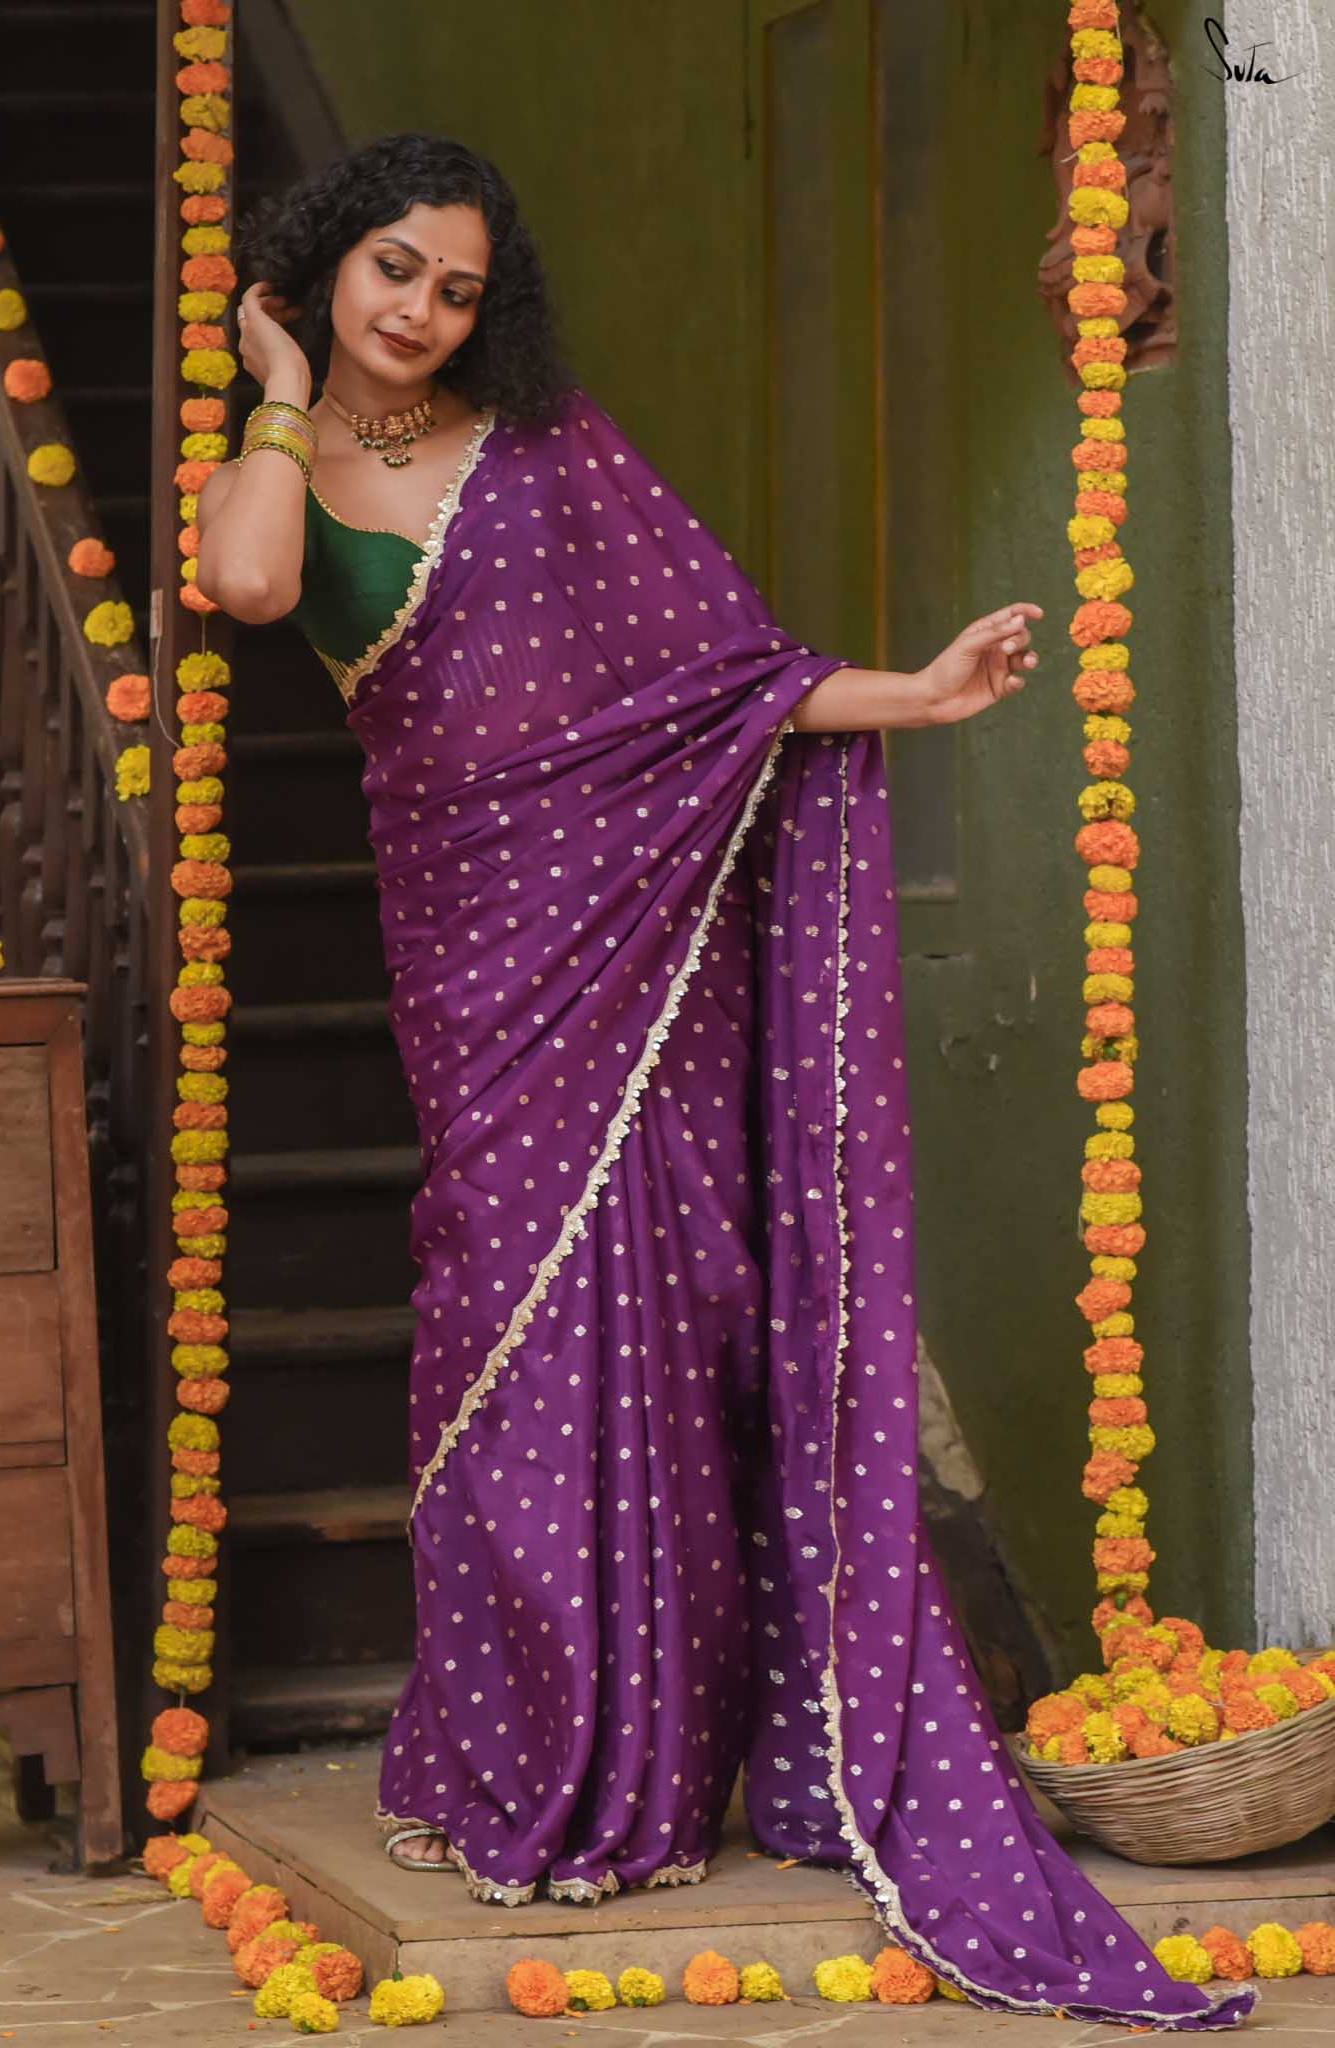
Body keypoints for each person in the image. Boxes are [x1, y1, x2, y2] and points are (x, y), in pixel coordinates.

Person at [195, 133, 1253, 2030]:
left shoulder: (550, 454)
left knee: (671, 1320)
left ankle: (660, 1765)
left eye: (456, 288)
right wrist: (281, 387)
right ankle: (516, 1748)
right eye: (393, 269)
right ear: (329, 263)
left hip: (644, 936)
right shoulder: (279, 463)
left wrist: (915, 695)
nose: (421, 311)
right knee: (502, 1320)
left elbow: (715, 688)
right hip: (479, 947)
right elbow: (251, 582)